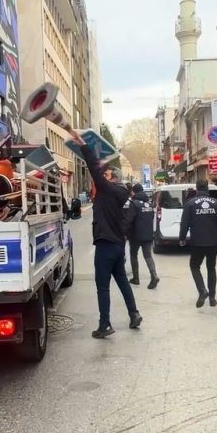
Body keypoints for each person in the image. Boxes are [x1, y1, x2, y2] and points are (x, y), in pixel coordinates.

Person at [70, 132, 142, 338]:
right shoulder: (120, 194)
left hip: (105, 245)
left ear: (112, 179)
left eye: (108, 174)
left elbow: (93, 169)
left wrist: (84, 146)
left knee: (103, 287)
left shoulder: (107, 190)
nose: (105, 175)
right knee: (122, 281)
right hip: (118, 245)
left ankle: (105, 324)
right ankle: (134, 314)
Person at [179, 179, 217, 308]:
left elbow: (184, 224)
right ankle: (212, 298)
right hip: (213, 242)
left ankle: (202, 290)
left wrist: (182, 238)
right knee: (211, 268)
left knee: (194, 266)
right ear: (207, 188)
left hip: (197, 242)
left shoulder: (190, 204)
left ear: (197, 189)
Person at [125, 183, 159, 289]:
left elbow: (129, 219)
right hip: (148, 235)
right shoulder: (148, 204)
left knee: (134, 255)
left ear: (134, 192)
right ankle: (154, 275)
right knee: (148, 256)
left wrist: (125, 232)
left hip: (135, 235)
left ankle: (136, 278)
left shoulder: (134, 203)